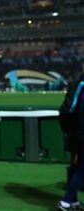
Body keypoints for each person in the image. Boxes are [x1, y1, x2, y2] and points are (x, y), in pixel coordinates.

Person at [58, 68, 84, 211]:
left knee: (76, 167)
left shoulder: (78, 85)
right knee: (80, 169)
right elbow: (68, 111)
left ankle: (71, 202)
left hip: (77, 133)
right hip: (79, 134)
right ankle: (66, 201)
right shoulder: (80, 86)